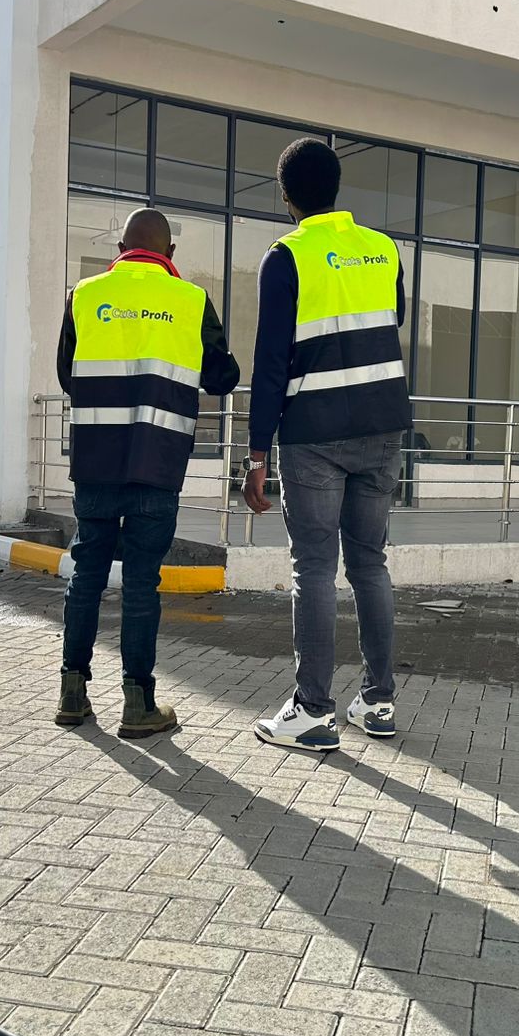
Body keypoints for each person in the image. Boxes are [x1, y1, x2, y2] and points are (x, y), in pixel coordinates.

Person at [242, 138, 410, 752]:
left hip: (314, 434)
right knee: (370, 563)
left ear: (285, 196)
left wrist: (256, 455)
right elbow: (389, 324)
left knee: (314, 566)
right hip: (383, 427)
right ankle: (379, 700)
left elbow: (269, 364)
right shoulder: (384, 250)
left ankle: (313, 710)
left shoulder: (286, 257)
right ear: (337, 189)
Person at [56, 208, 239, 736]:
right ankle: (138, 705)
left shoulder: (84, 295)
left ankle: (73, 692)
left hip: (94, 460)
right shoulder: (190, 301)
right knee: (141, 581)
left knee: (86, 572)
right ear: (170, 254)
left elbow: (68, 375)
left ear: (120, 247)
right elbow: (222, 377)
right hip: (157, 463)